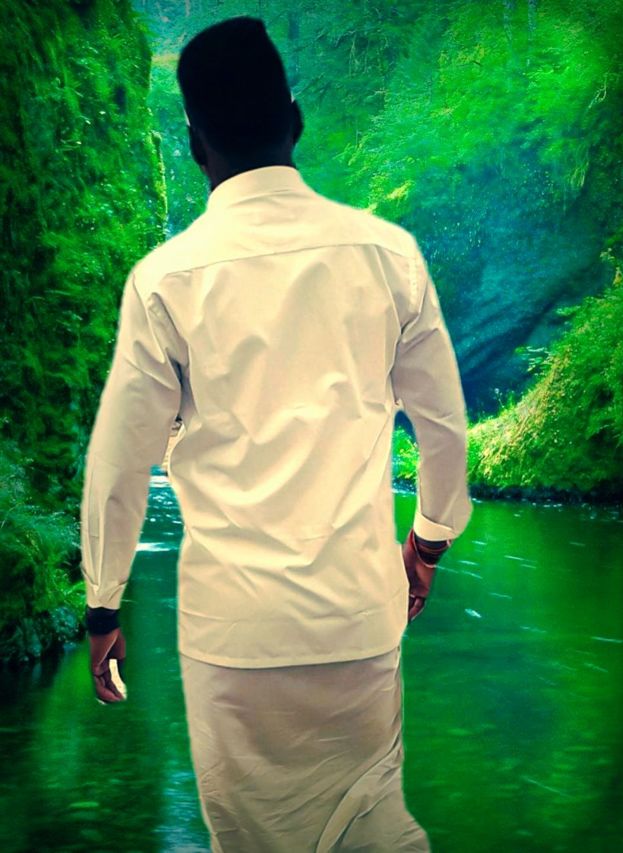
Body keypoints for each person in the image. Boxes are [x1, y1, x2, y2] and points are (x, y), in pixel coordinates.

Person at [80, 15, 473, 852]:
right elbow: (442, 427)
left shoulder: (164, 282)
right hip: (357, 618)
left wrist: (102, 603)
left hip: (234, 636)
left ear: (195, 147)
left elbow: (118, 465)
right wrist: (428, 543)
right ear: (295, 120)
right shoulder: (389, 256)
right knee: (370, 821)